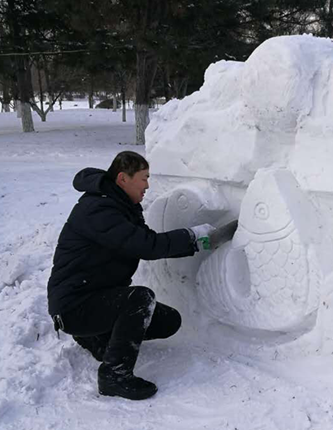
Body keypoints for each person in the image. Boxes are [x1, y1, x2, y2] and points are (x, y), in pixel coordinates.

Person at [47, 151, 213, 401]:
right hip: (73, 304)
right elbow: (146, 246)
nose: (147, 185)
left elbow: (147, 242)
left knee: (168, 321)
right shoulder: (99, 210)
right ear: (123, 179)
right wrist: (191, 237)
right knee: (140, 298)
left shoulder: (123, 207)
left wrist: (190, 243)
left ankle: (97, 338)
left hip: (95, 297)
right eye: (144, 178)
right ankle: (114, 374)